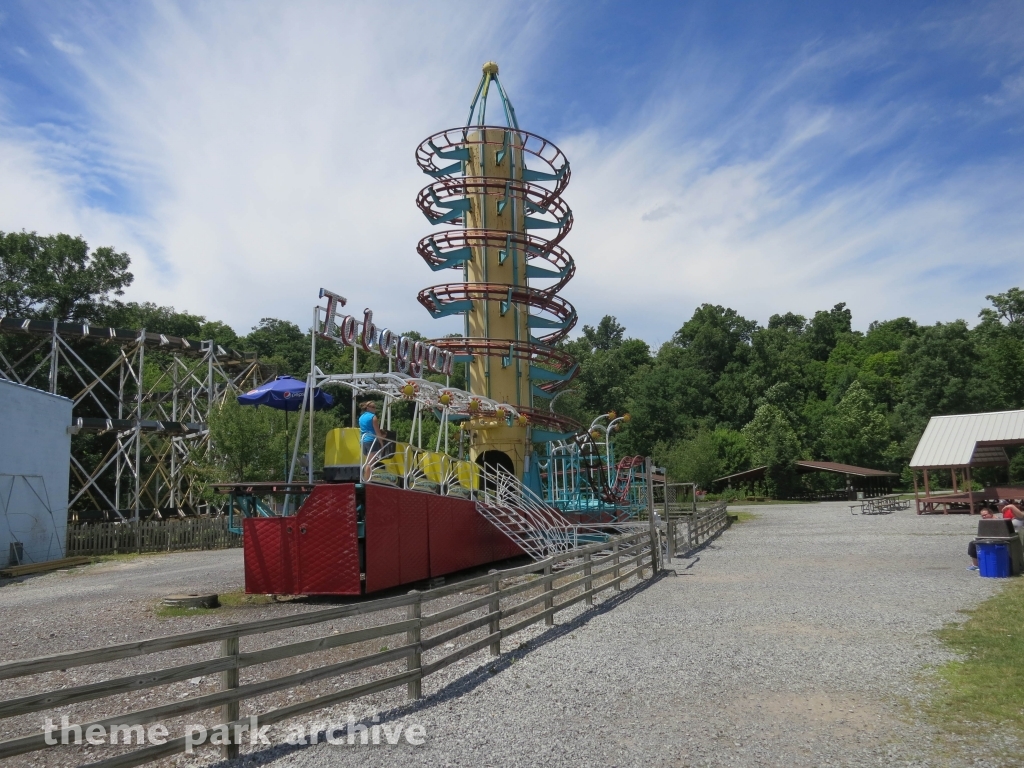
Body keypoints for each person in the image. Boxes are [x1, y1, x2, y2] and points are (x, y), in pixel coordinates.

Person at [967, 506, 997, 571]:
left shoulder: (996, 521)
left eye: (985, 515)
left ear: (991, 514)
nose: (983, 517)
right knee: (973, 543)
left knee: (972, 544)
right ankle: (975, 563)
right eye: (982, 516)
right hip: (988, 538)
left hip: (995, 539)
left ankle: (976, 565)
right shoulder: (986, 522)